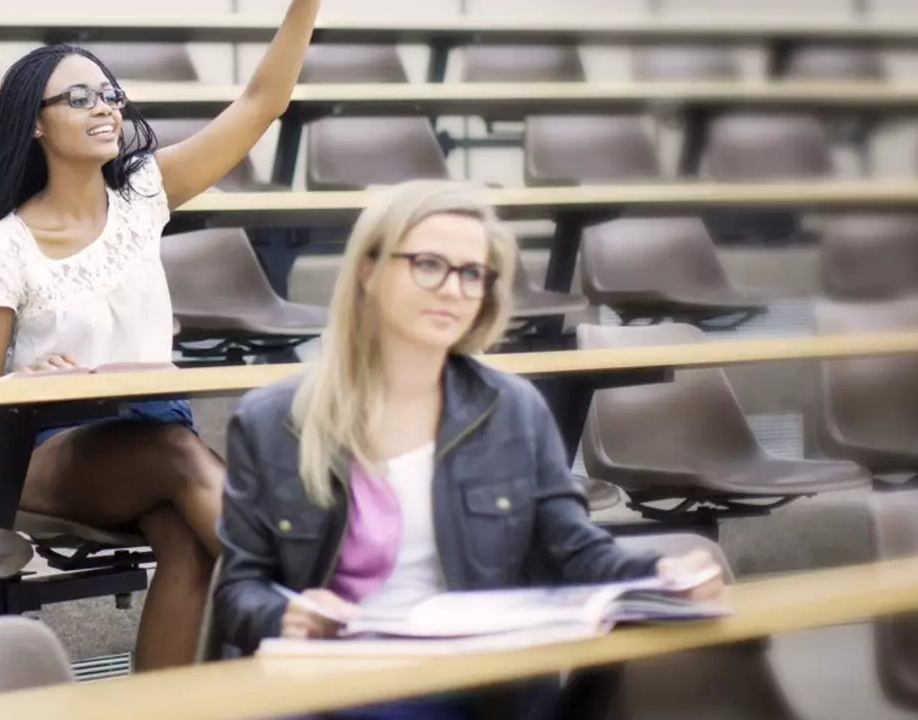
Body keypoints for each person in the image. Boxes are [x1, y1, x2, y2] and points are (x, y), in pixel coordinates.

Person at [0, 0, 336, 670]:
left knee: (189, 549)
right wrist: (30, 381)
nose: (105, 105)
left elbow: (264, 103)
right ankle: (325, 611)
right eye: (79, 96)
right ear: (34, 122)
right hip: (49, 447)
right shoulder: (2, 246)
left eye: (110, 92)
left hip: (155, 424)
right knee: (178, 457)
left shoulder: (143, 197)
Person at [213, 180, 724, 719]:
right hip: (334, 682)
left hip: (476, 682)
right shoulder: (271, 420)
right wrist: (284, 616)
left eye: (471, 273)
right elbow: (237, 591)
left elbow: (575, 551)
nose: (453, 289)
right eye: (429, 264)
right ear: (368, 271)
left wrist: (659, 577)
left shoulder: (512, 409)